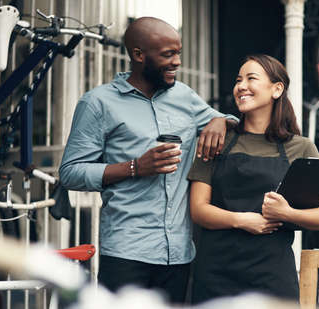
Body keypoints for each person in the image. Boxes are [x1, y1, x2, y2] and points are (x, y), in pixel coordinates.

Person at [59, 17, 236, 304]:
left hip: (178, 253)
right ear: (139, 55)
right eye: (168, 54)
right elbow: (70, 172)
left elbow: (232, 126)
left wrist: (221, 119)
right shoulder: (98, 103)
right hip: (126, 253)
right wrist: (135, 167)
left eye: (178, 52)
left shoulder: (184, 97)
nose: (177, 61)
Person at [188, 54, 319, 303]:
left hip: (272, 274)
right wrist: (241, 220)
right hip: (216, 273)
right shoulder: (216, 141)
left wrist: (286, 213)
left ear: (277, 89)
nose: (241, 86)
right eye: (238, 80)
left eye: (251, 78)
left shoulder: (301, 148)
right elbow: (198, 209)